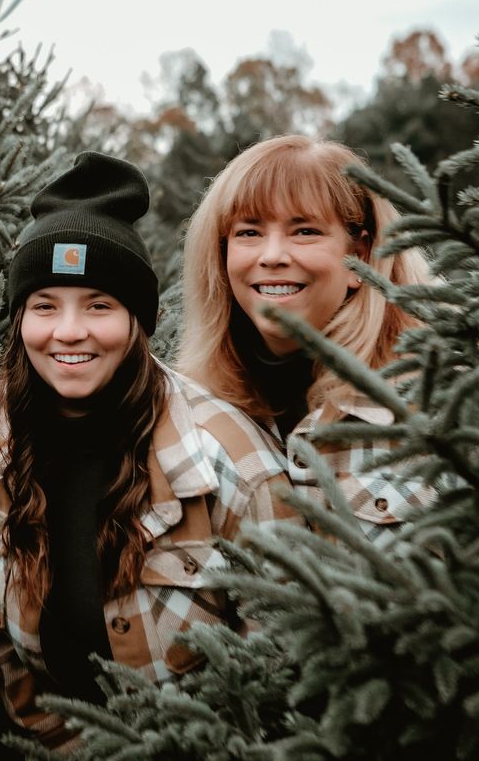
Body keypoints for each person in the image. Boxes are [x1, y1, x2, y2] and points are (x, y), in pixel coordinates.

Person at [0, 151, 299, 748]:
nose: (69, 330)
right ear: (19, 317)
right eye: (45, 305)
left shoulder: (232, 459)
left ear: (140, 319)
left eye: (99, 305)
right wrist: (54, 741)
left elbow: (281, 664)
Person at [178, 134, 434, 544]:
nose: (273, 255)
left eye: (305, 231)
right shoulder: (191, 412)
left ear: (360, 257)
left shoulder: (437, 400)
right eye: (248, 232)